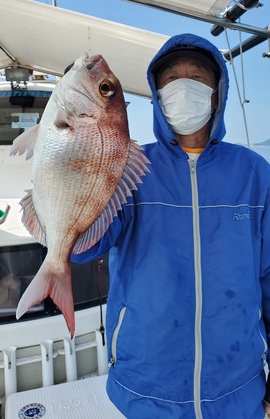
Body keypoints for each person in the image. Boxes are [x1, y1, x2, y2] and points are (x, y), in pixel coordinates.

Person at [71, 33, 270, 419]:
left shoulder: (254, 173)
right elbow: (83, 246)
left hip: (238, 390)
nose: (183, 86)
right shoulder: (130, 168)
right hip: (145, 391)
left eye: (196, 77)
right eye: (170, 79)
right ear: (156, 95)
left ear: (217, 92)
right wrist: (75, 160)